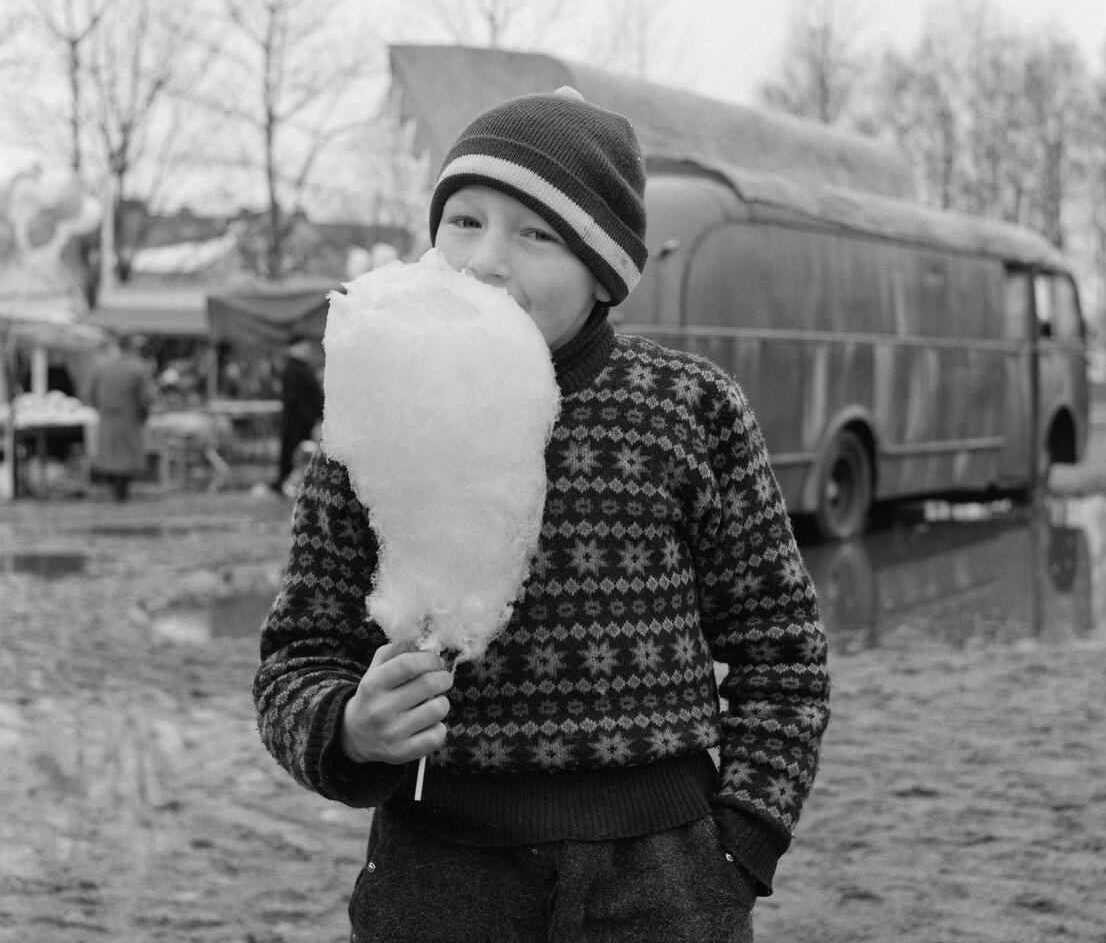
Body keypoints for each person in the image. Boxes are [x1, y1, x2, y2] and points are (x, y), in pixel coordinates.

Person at [254, 89, 830, 943]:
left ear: (603, 268)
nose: (486, 261)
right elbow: (295, 656)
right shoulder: (375, 414)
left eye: (537, 234)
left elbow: (784, 653)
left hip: (662, 884)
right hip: (439, 877)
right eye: (464, 221)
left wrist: (741, 844)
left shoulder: (688, 408)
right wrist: (348, 729)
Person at [88, 334, 152, 501]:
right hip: (129, 417)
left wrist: (101, 408)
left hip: (108, 416)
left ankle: (115, 486)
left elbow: (89, 394)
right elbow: (146, 398)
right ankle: (121, 489)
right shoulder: (138, 368)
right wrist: (143, 415)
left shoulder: (103, 367)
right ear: (131, 347)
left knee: (110, 454)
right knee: (127, 456)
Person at [271, 334, 324, 495]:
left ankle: (296, 482)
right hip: (298, 421)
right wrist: (311, 416)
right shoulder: (293, 369)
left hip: (303, 419)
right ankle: (290, 483)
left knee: (299, 453)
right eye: (303, 347)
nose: (306, 351)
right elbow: (296, 399)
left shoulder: (301, 368)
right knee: (296, 454)